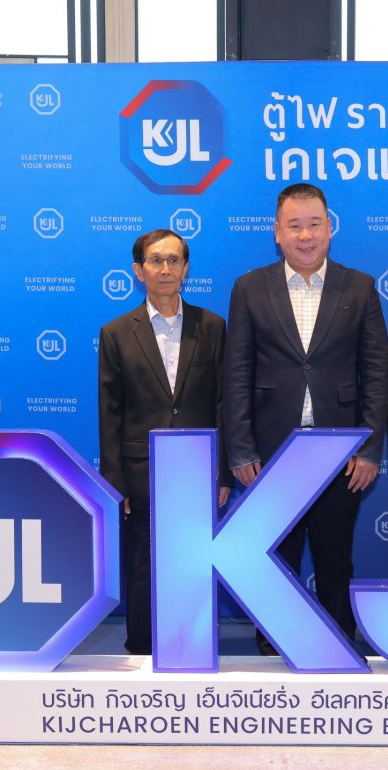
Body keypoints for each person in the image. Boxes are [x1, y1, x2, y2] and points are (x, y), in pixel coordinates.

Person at [224, 183, 388, 654]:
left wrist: (369, 449)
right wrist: (241, 450)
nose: (305, 235)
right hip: (272, 450)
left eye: (314, 224)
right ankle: (274, 644)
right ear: (276, 232)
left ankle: (338, 645)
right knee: (276, 556)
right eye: (294, 226)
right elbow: (237, 373)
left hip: (341, 452)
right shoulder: (250, 287)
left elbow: (377, 372)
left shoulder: (359, 287)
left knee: (336, 556)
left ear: (330, 228)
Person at [98, 228, 230, 655]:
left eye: (174, 260)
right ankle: (141, 647)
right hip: (141, 471)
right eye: (156, 260)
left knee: (195, 562)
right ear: (139, 271)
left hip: (198, 469)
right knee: (143, 563)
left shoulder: (212, 327)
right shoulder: (117, 332)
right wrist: (114, 482)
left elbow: (223, 402)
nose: (166, 269)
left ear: (186, 268)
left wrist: (224, 471)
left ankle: (192, 646)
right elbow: (110, 412)